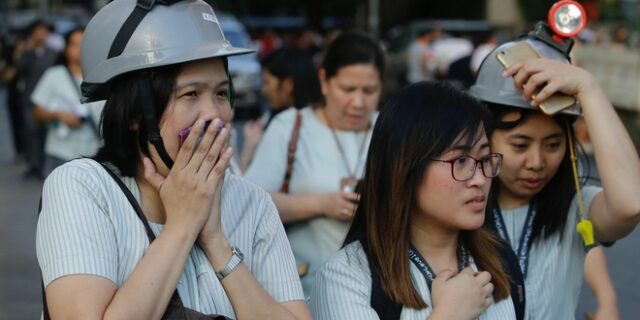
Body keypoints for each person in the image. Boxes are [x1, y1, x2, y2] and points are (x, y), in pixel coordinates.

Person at [36, 0, 310, 319]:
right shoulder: (82, 188)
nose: (214, 114)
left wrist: (218, 243)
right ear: (137, 113)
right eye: (191, 94)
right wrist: (182, 224)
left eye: (221, 93)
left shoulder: (253, 203)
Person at [469, 30, 640, 320]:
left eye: (553, 145)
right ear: (483, 139)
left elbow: (630, 204)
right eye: (520, 145)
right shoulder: (454, 207)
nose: (537, 162)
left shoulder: (576, 207)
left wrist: (589, 89)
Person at [311, 81, 516, 319]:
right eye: (460, 161)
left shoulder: (497, 259)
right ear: (406, 167)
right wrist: (450, 314)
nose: (480, 179)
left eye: (483, 158)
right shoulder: (346, 276)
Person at [245, 31, 385, 296]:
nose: (358, 102)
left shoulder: (389, 128)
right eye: (347, 89)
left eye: (369, 91)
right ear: (324, 81)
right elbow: (250, 201)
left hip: (378, 291)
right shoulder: (291, 126)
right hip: (304, 290)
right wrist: (321, 204)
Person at [31, 27, 104, 176]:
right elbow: (36, 112)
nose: (79, 49)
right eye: (74, 44)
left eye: (84, 44)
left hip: (97, 153)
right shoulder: (54, 75)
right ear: (66, 49)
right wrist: (58, 115)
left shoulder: (103, 76)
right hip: (62, 153)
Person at [239, 46, 323, 171]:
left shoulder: (283, 124)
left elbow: (253, 182)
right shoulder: (322, 121)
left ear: (288, 84)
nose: (263, 89)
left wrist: (248, 151)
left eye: (267, 82)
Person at [14, 20, 58, 178]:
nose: (41, 34)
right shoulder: (28, 52)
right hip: (30, 97)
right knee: (31, 131)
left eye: (44, 31)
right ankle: (34, 164)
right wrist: (28, 50)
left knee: (47, 132)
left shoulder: (54, 53)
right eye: (38, 31)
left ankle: (46, 165)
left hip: (50, 98)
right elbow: (19, 70)